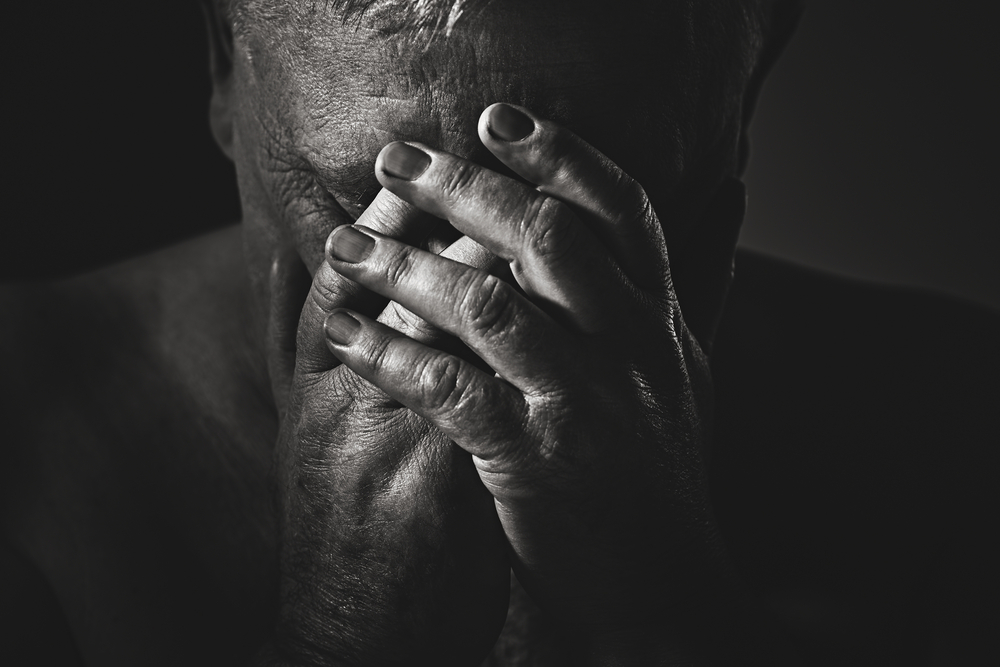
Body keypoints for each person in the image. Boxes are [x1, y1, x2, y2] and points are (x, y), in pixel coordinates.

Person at [1, 0, 997, 664]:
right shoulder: (27, 444)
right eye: (378, 196)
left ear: (742, 93)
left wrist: (664, 622)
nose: (472, 291)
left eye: (585, 195)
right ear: (227, 71)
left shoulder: (960, 435)